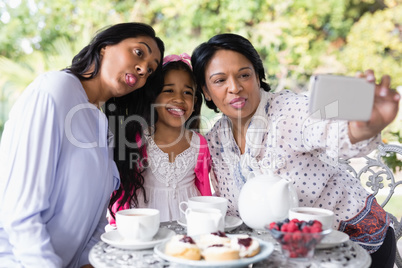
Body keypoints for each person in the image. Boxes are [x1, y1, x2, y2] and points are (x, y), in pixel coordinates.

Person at [191, 33, 399, 267]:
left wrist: (365, 127)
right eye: (219, 80)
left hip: (355, 242)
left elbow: (331, 130)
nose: (235, 87)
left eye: (244, 75)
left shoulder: (288, 110)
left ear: (258, 77)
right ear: (206, 91)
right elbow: (231, 209)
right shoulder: (217, 139)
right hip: (290, 252)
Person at [0, 22, 164, 268]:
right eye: (138, 53)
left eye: (150, 70)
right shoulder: (56, 89)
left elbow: (95, 220)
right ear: (105, 47)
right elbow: (20, 213)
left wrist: (89, 262)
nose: (143, 69)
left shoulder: (103, 124)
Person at [108, 53, 212, 223]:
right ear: (153, 97)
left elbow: (204, 189)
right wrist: (118, 223)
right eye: (169, 90)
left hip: (189, 222)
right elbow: (125, 186)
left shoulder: (199, 144)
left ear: (194, 102)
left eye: (187, 92)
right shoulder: (139, 139)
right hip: (146, 224)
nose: (179, 99)